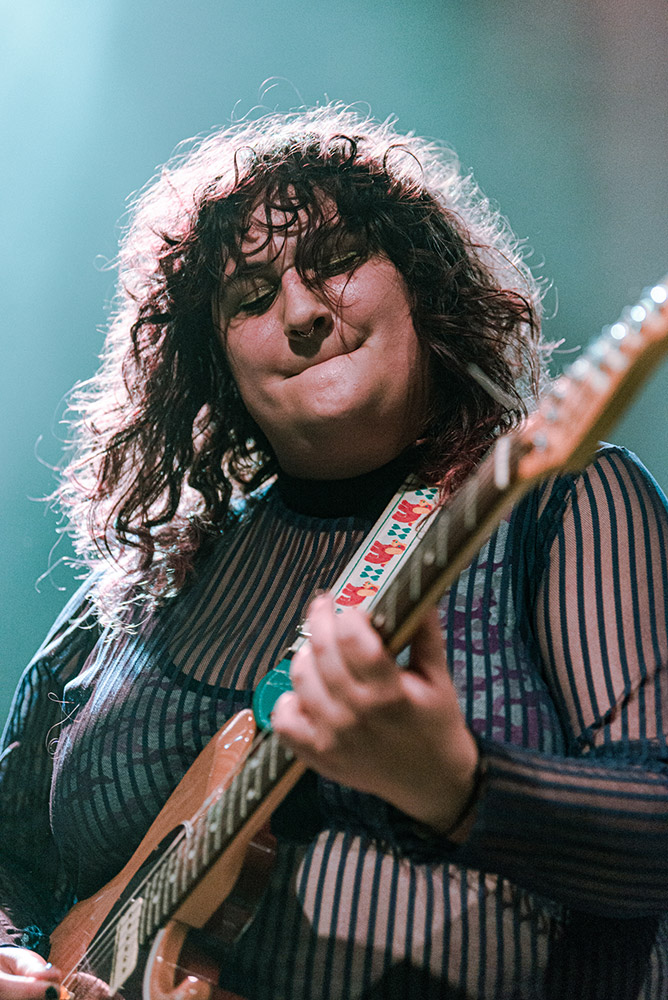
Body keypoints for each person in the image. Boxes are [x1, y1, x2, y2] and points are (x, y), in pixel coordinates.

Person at [0, 104, 667, 1000]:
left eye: (339, 261)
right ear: (216, 367)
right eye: (251, 298)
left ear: (420, 286)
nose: (304, 311)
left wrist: (458, 786)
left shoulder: (560, 503)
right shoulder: (139, 590)